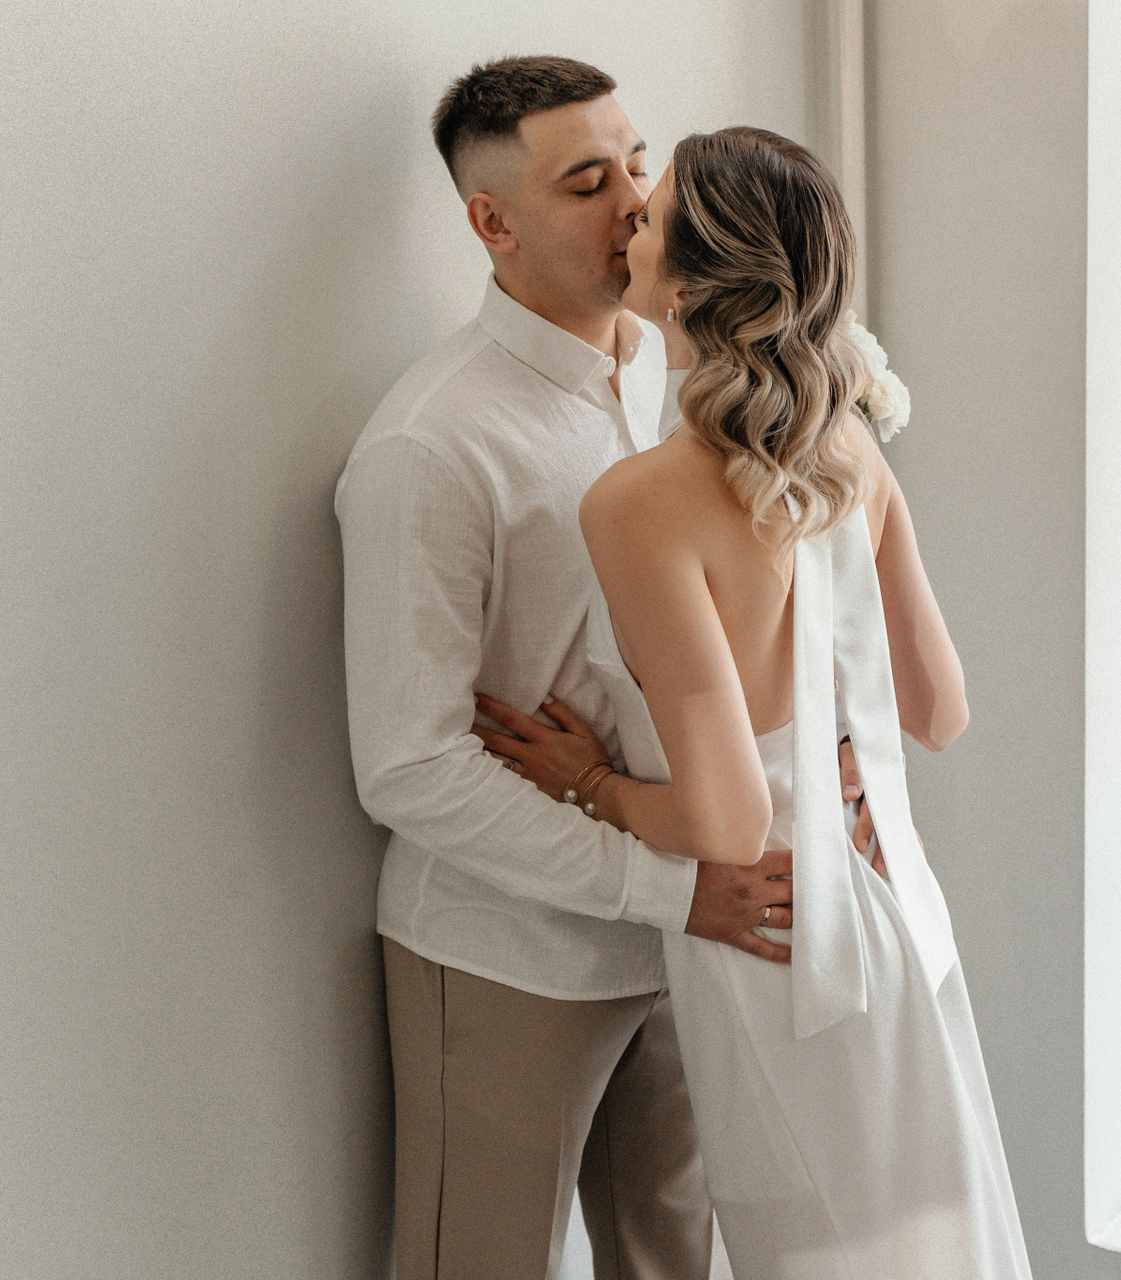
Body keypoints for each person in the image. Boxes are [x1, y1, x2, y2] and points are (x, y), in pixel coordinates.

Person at [473, 127, 1032, 1279]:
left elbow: (726, 820)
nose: (628, 217)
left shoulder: (638, 501)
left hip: (780, 942)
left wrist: (590, 780)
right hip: (892, 911)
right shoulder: (849, 448)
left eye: (650, 214)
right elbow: (939, 709)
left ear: (684, 287)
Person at [337, 57, 855, 1279]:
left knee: (674, 1259)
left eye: (636, 162)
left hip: (694, 941)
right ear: (493, 222)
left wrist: (832, 771)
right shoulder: (432, 445)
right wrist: (669, 886)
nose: (634, 202)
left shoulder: (692, 377)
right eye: (586, 183)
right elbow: (408, 766)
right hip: (512, 954)